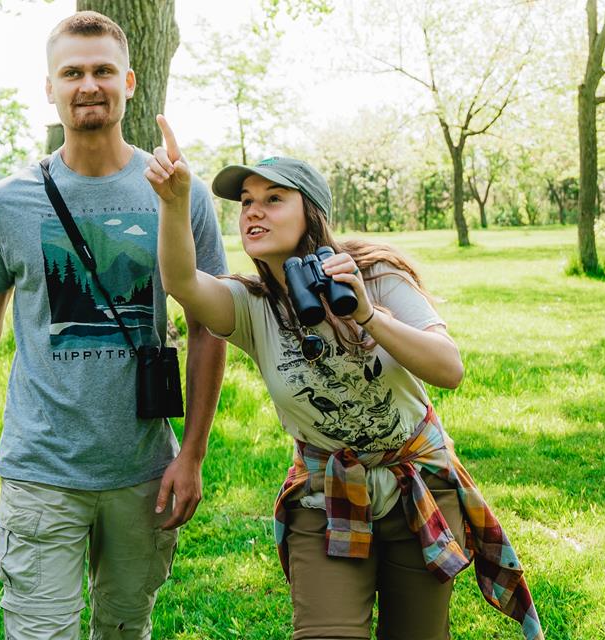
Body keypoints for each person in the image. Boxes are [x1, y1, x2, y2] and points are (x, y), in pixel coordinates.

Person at [145, 117, 544, 640]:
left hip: (415, 483)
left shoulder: (376, 274)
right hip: (325, 493)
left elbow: (449, 369)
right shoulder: (251, 305)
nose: (253, 212)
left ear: (311, 212)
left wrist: (367, 315)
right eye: (245, 202)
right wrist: (174, 203)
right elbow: (180, 281)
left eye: (273, 199)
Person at [0, 11, 229, 640]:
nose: (88, 84)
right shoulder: (9, 200)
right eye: (73, 72)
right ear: (50, 88)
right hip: (42, 465)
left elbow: (208, 327)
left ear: (130, 82)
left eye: (103, 71)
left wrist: (191, 451)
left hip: (144, 466)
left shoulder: (179, 193)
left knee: (125, 626)